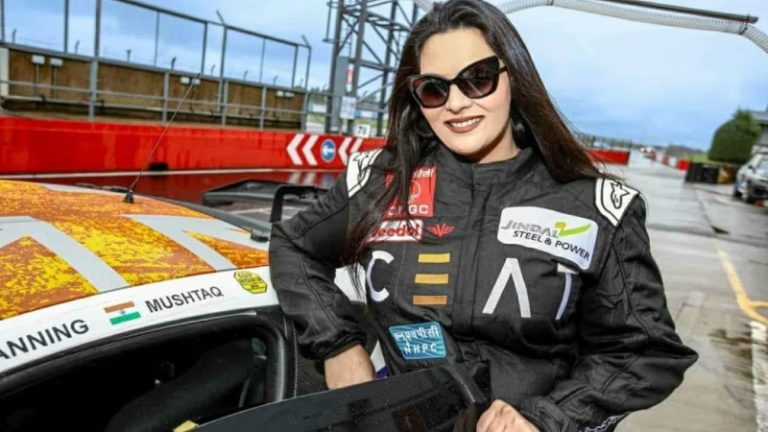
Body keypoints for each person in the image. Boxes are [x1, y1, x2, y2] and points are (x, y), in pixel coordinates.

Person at [269, 0, 698, 431]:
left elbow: (645, 351)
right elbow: (294, 246)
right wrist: (338, 346)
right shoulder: (381, 182)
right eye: (434, 89)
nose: (455, 104)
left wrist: (549, 417)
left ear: (516, 78)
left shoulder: (596, 206)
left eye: (478, 79)